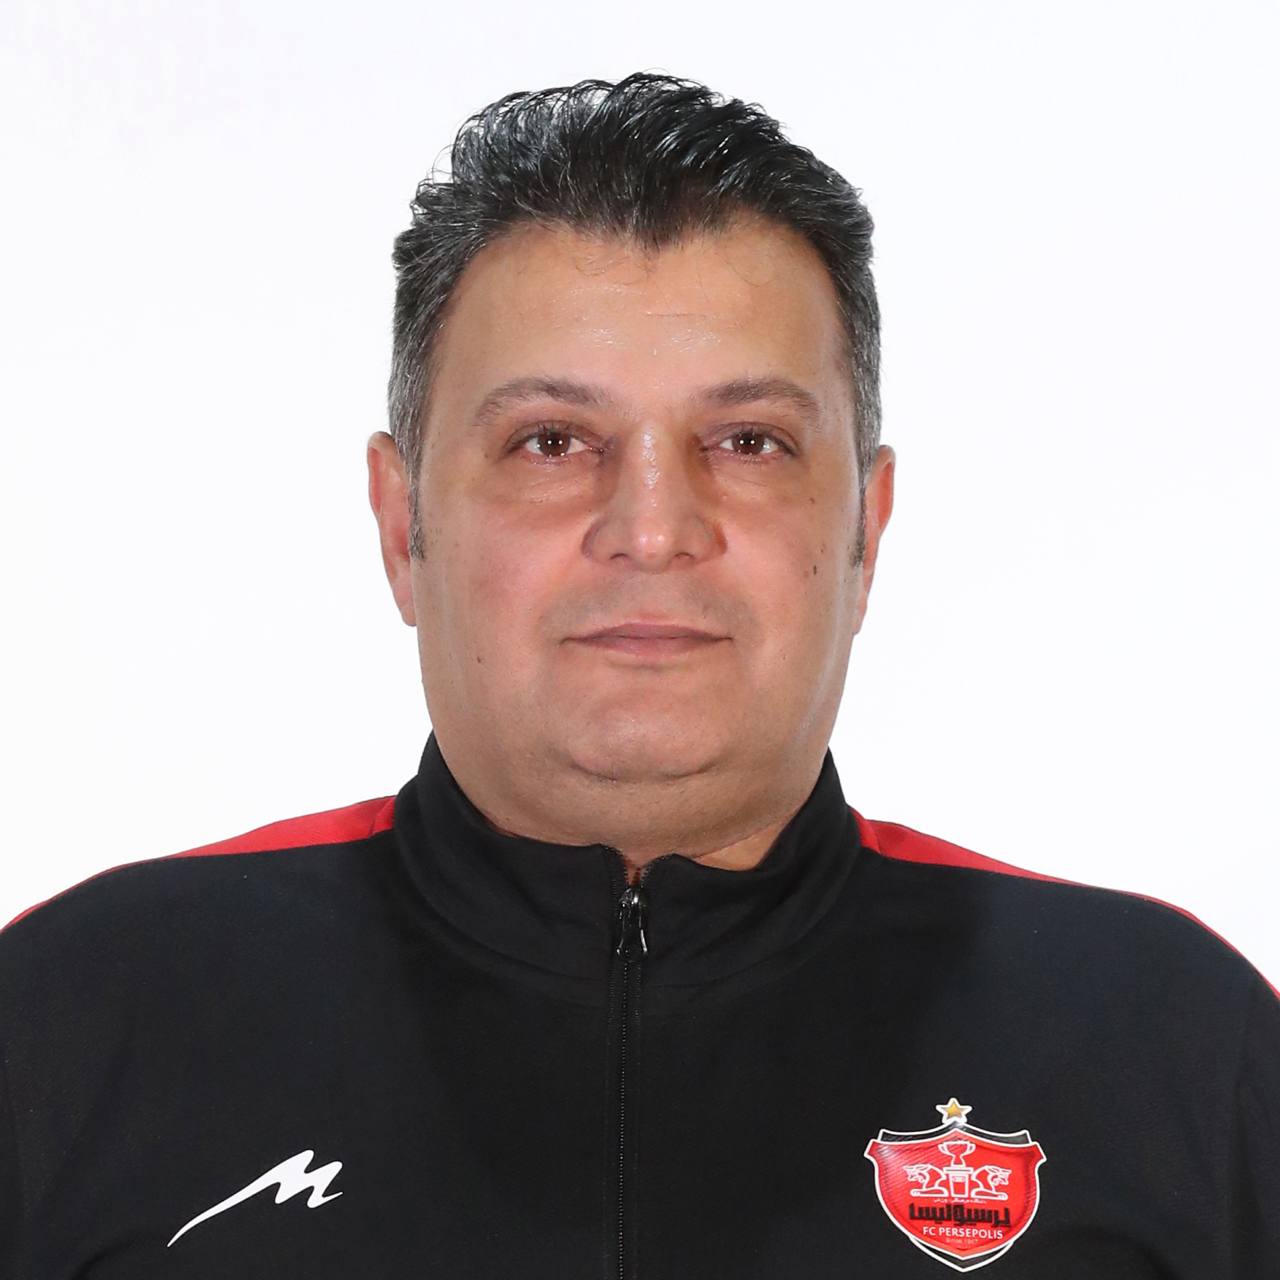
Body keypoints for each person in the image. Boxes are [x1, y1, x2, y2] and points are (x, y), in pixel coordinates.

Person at [1, 71, 1276, 1279]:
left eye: (748, 440)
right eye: (551, 441)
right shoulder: (71, 1021)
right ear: (401, 525)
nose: (653, 528)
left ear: (864, 530)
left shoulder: (1171, 1046)